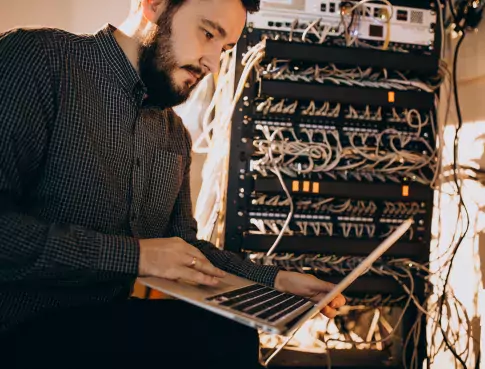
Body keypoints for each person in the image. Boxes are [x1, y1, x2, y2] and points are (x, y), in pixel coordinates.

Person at [0, 0, 345, 368]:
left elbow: (185, 248)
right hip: (18, 329)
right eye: (208, 33)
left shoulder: (175, 135)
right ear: (154, 4)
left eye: (224, 48)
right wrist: (136, 256)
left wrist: (274, 281)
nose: (213, 63)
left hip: (101, 329)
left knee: (231, 334)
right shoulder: (38, 60)